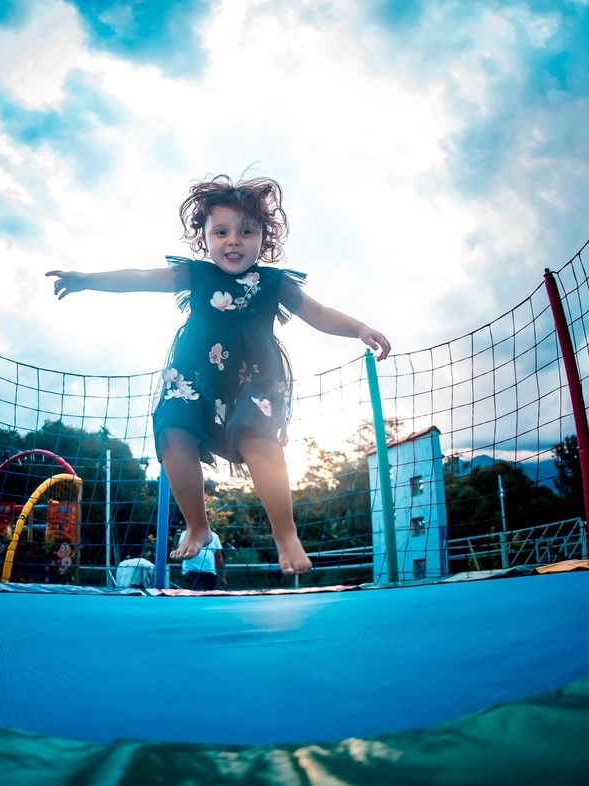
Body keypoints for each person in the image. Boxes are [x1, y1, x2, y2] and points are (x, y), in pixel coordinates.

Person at [47, 173, 390, 575]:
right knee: (172, 430)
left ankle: (285, 533)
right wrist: (86, 280)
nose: (233, 241)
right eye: (222, 232)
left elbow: (319, 313)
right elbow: (139, 278)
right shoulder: (195, 275)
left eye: (246, 231)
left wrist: (360, 328)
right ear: (205, 238)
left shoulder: (274, 283)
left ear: (263, 237)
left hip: (254, 375)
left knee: (257, 438)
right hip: (195, 371)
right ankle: (197, 525)